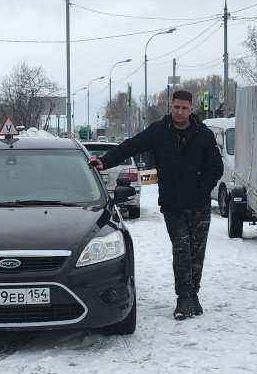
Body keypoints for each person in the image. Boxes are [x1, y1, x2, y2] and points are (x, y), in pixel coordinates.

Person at [93, 89, 222, 320]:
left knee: (196, 253)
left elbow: (216, 167)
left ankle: (194, 295)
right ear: (170, 107)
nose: (179, 112)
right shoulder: (159, 131)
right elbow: (131, 146)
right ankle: (183, 298)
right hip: (173, 204)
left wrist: (201, 188)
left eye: (184, 108)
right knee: (182, 250)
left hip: (199, 205)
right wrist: (104, 161)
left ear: (191, 109)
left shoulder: (204, 134)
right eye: (176, 107)